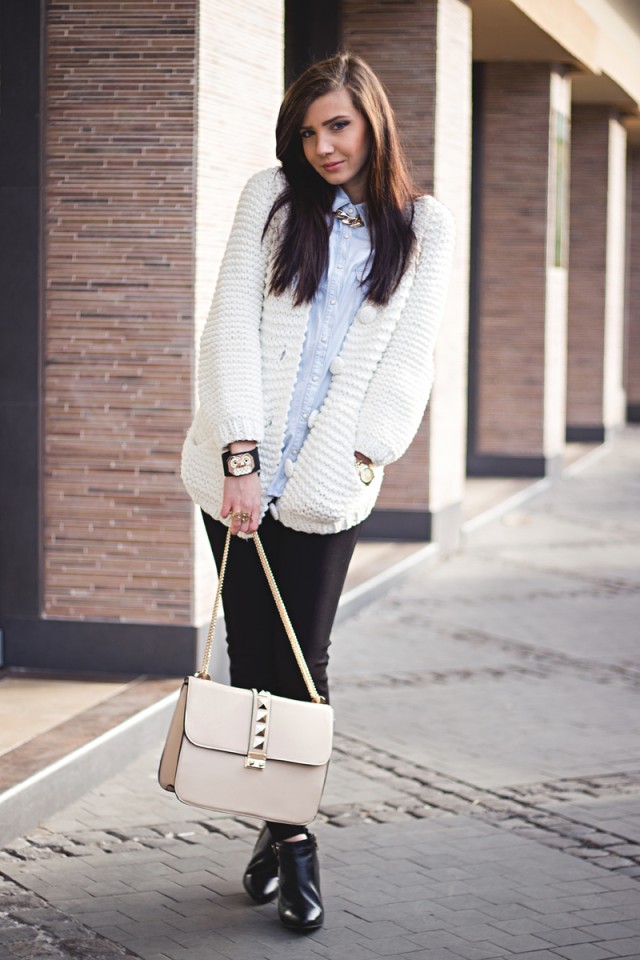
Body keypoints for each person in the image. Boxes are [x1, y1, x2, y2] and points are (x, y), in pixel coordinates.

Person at [180, 52, 455, 932]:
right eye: (309, 130)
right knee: (252, 659)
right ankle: (285, 834)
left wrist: (366, 455)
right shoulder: (271, 198)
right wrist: (239, 461)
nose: (324, 145)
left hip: (328, 482)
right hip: (238, 473)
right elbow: (228, 327)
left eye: (338, 124)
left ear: (372, 121)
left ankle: (290, 840)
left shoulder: (422, 225)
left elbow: (411, 360)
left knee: (306, 664)